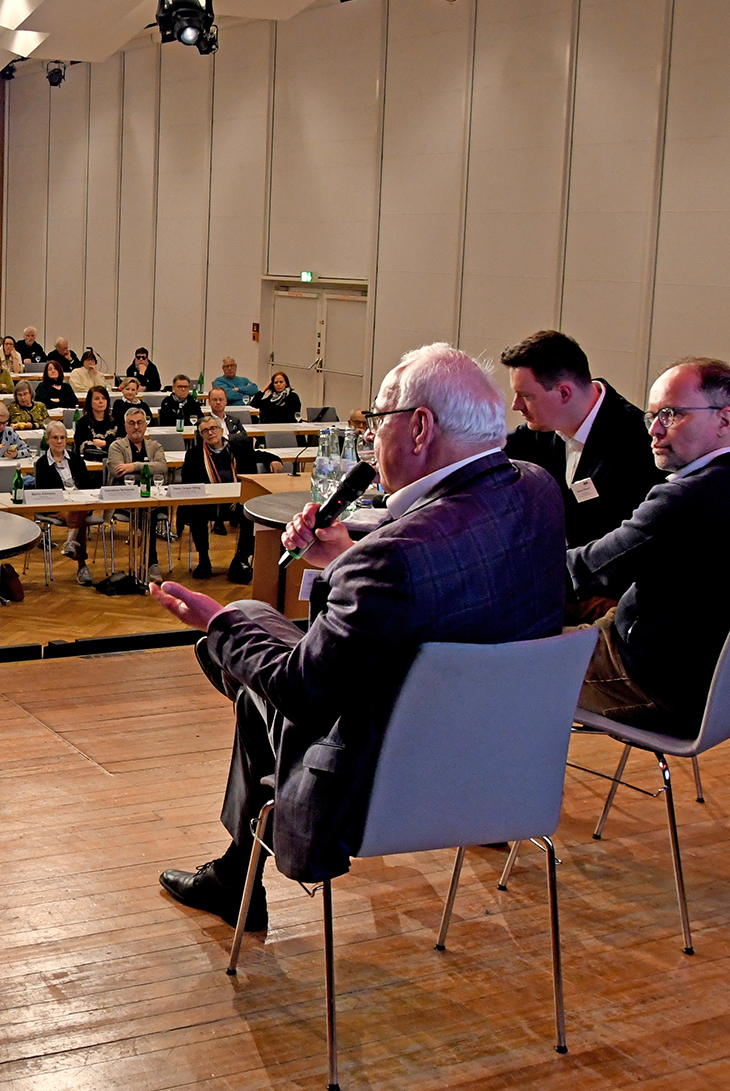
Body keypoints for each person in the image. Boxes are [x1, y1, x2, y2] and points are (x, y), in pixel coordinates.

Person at [149, 343, 567, 926]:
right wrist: (348, 555)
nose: (370, 440)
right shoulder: (538, 489)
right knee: (254, 646)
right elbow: (454, 584)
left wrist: (216, 624)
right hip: (507, 773)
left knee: (247, 643)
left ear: (420, 427)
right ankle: (232, 872)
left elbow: (304, 692)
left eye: (376, 421)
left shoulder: (392, 563)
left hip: (385, 789)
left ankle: (235, 876)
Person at [567, 358, 730, 737]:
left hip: (655, 686)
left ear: (725, 421)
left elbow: (587, 571)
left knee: (505, 668)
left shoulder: (687, 498)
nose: (654, 431)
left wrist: (511, 561)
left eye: (671, 415)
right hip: (728, 689)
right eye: (651, 417)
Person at [501, 330, 665, 550]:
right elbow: (488, 452)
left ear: (564, 393)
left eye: (527, 396)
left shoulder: (637, 444)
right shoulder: (543, 426)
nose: (516, 405)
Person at [179, 415, 263, 582]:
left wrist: (274, 460)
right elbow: (187, 479)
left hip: (234, 502)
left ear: (221, 430)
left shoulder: (237, 448)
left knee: (250, 513)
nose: (210, 433)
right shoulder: (194, 454)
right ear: (201, 435)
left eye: (213, 428)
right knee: (196, 513)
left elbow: (257, 456)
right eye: (205, 431)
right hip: (208, 502)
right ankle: (204, 561)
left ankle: (241, 558)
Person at [34, 419, 100, 585]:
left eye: (62, 437)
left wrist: (76, 497)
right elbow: (44, 490)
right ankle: (82, 564)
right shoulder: (42, 464)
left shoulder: (76, 459)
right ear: (47, 440)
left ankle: (71, 542)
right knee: (78, 517)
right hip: (56, 506)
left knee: (77, 511)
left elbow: (86, 484)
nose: (59, 441)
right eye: (55, 437)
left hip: (80, 503)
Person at [107, 407, 170, 571]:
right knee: (147, 512)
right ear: (125, 426)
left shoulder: (155, 446)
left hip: (152, 498)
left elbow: (162, 468)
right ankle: (151, 563)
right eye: (132, 423)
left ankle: (149, 560)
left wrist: (134, 466)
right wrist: (147, 471)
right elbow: (119, 472)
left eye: (139, 423)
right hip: (124, 498)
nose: (136, 427)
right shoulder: (117, 446)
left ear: (145, 425)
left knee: (149, 510)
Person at [74, 386, 121, 462]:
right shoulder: (83, 423)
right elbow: (82, 447)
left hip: (113, 463)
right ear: (90, 402)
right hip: (90, 464)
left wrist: (104, 443)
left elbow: (121, 444)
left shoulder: (115, 422)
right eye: (97, 399)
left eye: (103, 398)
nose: (101, 401)